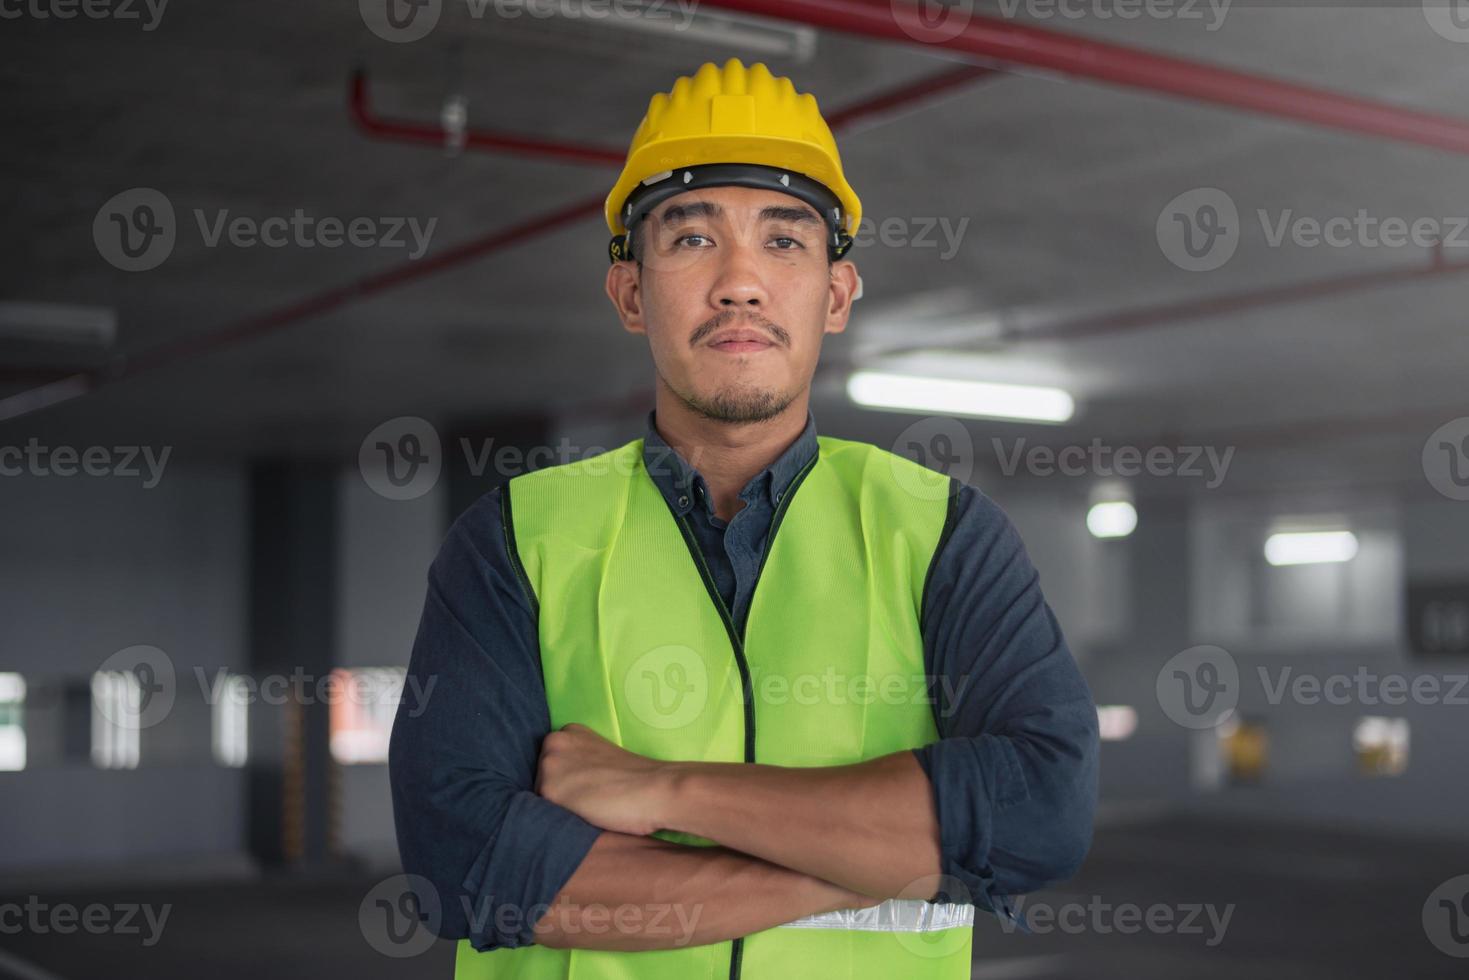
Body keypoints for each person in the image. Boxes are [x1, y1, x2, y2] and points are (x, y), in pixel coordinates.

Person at [389, 58, 1099, 980]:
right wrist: (884, 859)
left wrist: (662, 791)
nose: (739, 283)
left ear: (835, 295)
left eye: (784, 240)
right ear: (631, 294)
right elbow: (468, 870)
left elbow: (1042, 812)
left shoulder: (939, 535)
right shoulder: (514, 541)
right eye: (689, 239)